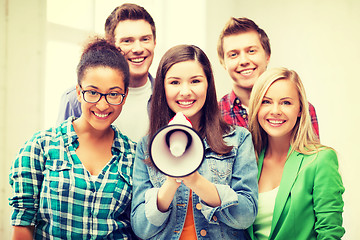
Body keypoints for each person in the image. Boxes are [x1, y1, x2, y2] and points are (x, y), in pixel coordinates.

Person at [9, 38, 137, 239]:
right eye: (92, 92)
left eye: (113, 94)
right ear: (78, 92)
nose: (102, 105)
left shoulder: (134, 155)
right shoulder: (40, 147)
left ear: (125, 95)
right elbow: (23, 224)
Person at [130, 44, 258, 239]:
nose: (185, 91)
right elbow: (141, 228)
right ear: (162, 88)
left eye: (195, 81)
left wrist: (195, 181)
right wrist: (173, 179)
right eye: (174, 83)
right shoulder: (148, 147)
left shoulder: (238, 139)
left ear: (208, 84)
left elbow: (246, 215)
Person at [246, 67, 345, 239]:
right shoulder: (247, 161)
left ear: (300, 109)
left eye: (286, 102)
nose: (275, 110)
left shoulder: (320, 160)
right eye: (266, 101)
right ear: (256, 107)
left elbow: (330, 232)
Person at [57, 3, 156, 142]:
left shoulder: (166, 95)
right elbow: (61, 149)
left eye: (145, 39)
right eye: (127, 41)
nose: (138, 48)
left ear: (154, 42)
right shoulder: (74, 99)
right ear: (111, 44)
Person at [217, 17, 319, 137]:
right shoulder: (215, 115)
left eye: (251, 51)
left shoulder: (300, 110)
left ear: (267, 56)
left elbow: (313, 154)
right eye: (233, 54)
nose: (243, 61)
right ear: (223, 62)